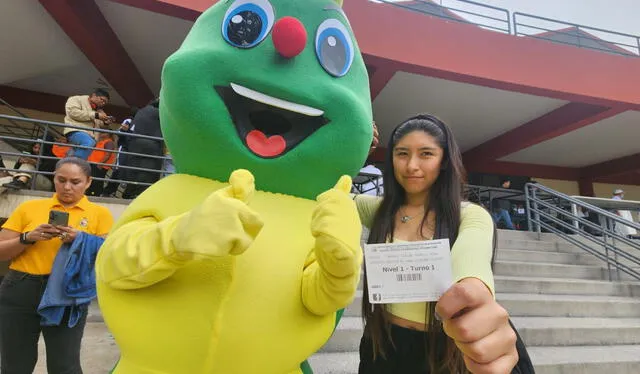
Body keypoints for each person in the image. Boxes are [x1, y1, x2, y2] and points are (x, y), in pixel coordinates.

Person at [355, 114, 517, 373]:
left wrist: (475, 292)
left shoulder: (468, 215)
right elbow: (322, 194)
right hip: (380, 345)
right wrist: (354, 149)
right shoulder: (376, 210)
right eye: (402, 154)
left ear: (444, 161)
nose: (411, 166)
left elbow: (472, 267)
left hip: (442, 352)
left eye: (426, 154)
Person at [0, 157, 114, 374]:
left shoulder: (100, 214)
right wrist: (28, 237)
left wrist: (81, 239)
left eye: (75, 181)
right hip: (21, 289)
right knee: (15, 364)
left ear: (88, 182)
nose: (67, 187)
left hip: (68, 292)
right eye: (61, 180)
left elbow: (108, 254)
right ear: (54, 178)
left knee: (65, 365)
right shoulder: (30, 208)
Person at [63, 88, 114, 160]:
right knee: (88, 143)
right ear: (94, 95)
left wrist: (106, 122)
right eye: (102, 100)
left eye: (105, 102)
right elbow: (73, 112)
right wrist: (96, 115)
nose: (103, 103)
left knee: (71, 155)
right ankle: (76, 165)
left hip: (92, 138)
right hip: (76, 130)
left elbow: (100, 125)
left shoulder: (99, 110)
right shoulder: (76, 99)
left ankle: (64, 167)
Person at [86, 132, 117, 196]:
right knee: (93, 180)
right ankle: (91, 193)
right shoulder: (102, 141)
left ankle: (95, 194)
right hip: (95, 164)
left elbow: (108, 154)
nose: (101, 134)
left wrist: (100, 164)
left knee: (96, 181)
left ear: (108, 134)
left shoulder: (109, 142)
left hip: (100, 166)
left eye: (103, 133)